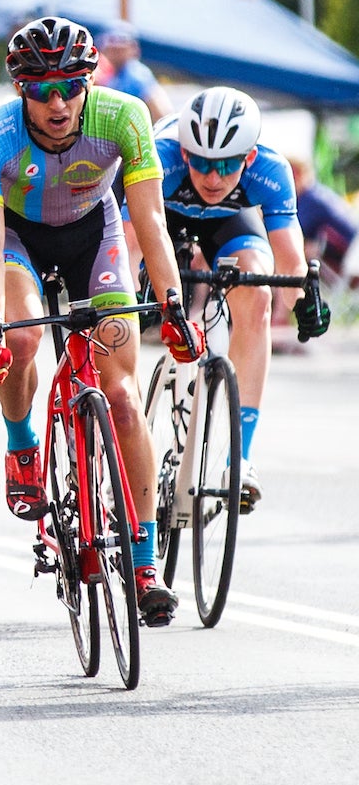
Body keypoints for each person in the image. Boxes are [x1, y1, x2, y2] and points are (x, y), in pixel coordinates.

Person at [0, 17, 202, 626]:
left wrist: (172, 305)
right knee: (20, 337)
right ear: (20, 90)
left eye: (71, 85)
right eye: (41, 89)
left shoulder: (124, 117)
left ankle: (146, 563)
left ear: (90, 80)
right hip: (20, 239)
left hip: (94, 235)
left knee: (120, 396)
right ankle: (22, 448)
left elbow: (148, 221)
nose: (58, 101)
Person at [153, 87, 327, 510]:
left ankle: (240, 459)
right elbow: (131, 242)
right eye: (202, 163)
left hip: (230, 226)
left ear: (249, 158)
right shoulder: (161, 155)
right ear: (185, 152)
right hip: (160, 219)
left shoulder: (271, 168)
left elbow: (287, 257)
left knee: (258, 297)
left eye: (228, 165)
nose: (213, 178)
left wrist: (303, 303)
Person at [293, 156, 357, 284]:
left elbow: (295, 230)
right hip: (348, 256)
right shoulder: (317, 193)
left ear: (298, 174)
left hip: (347, 259)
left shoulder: (312, 200)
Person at [95, 23, 173, 119]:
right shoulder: (101, 72)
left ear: (134, 49)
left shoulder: (137, 76)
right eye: (112, 47)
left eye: (121, 48)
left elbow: (162, 113)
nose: (116, 50)